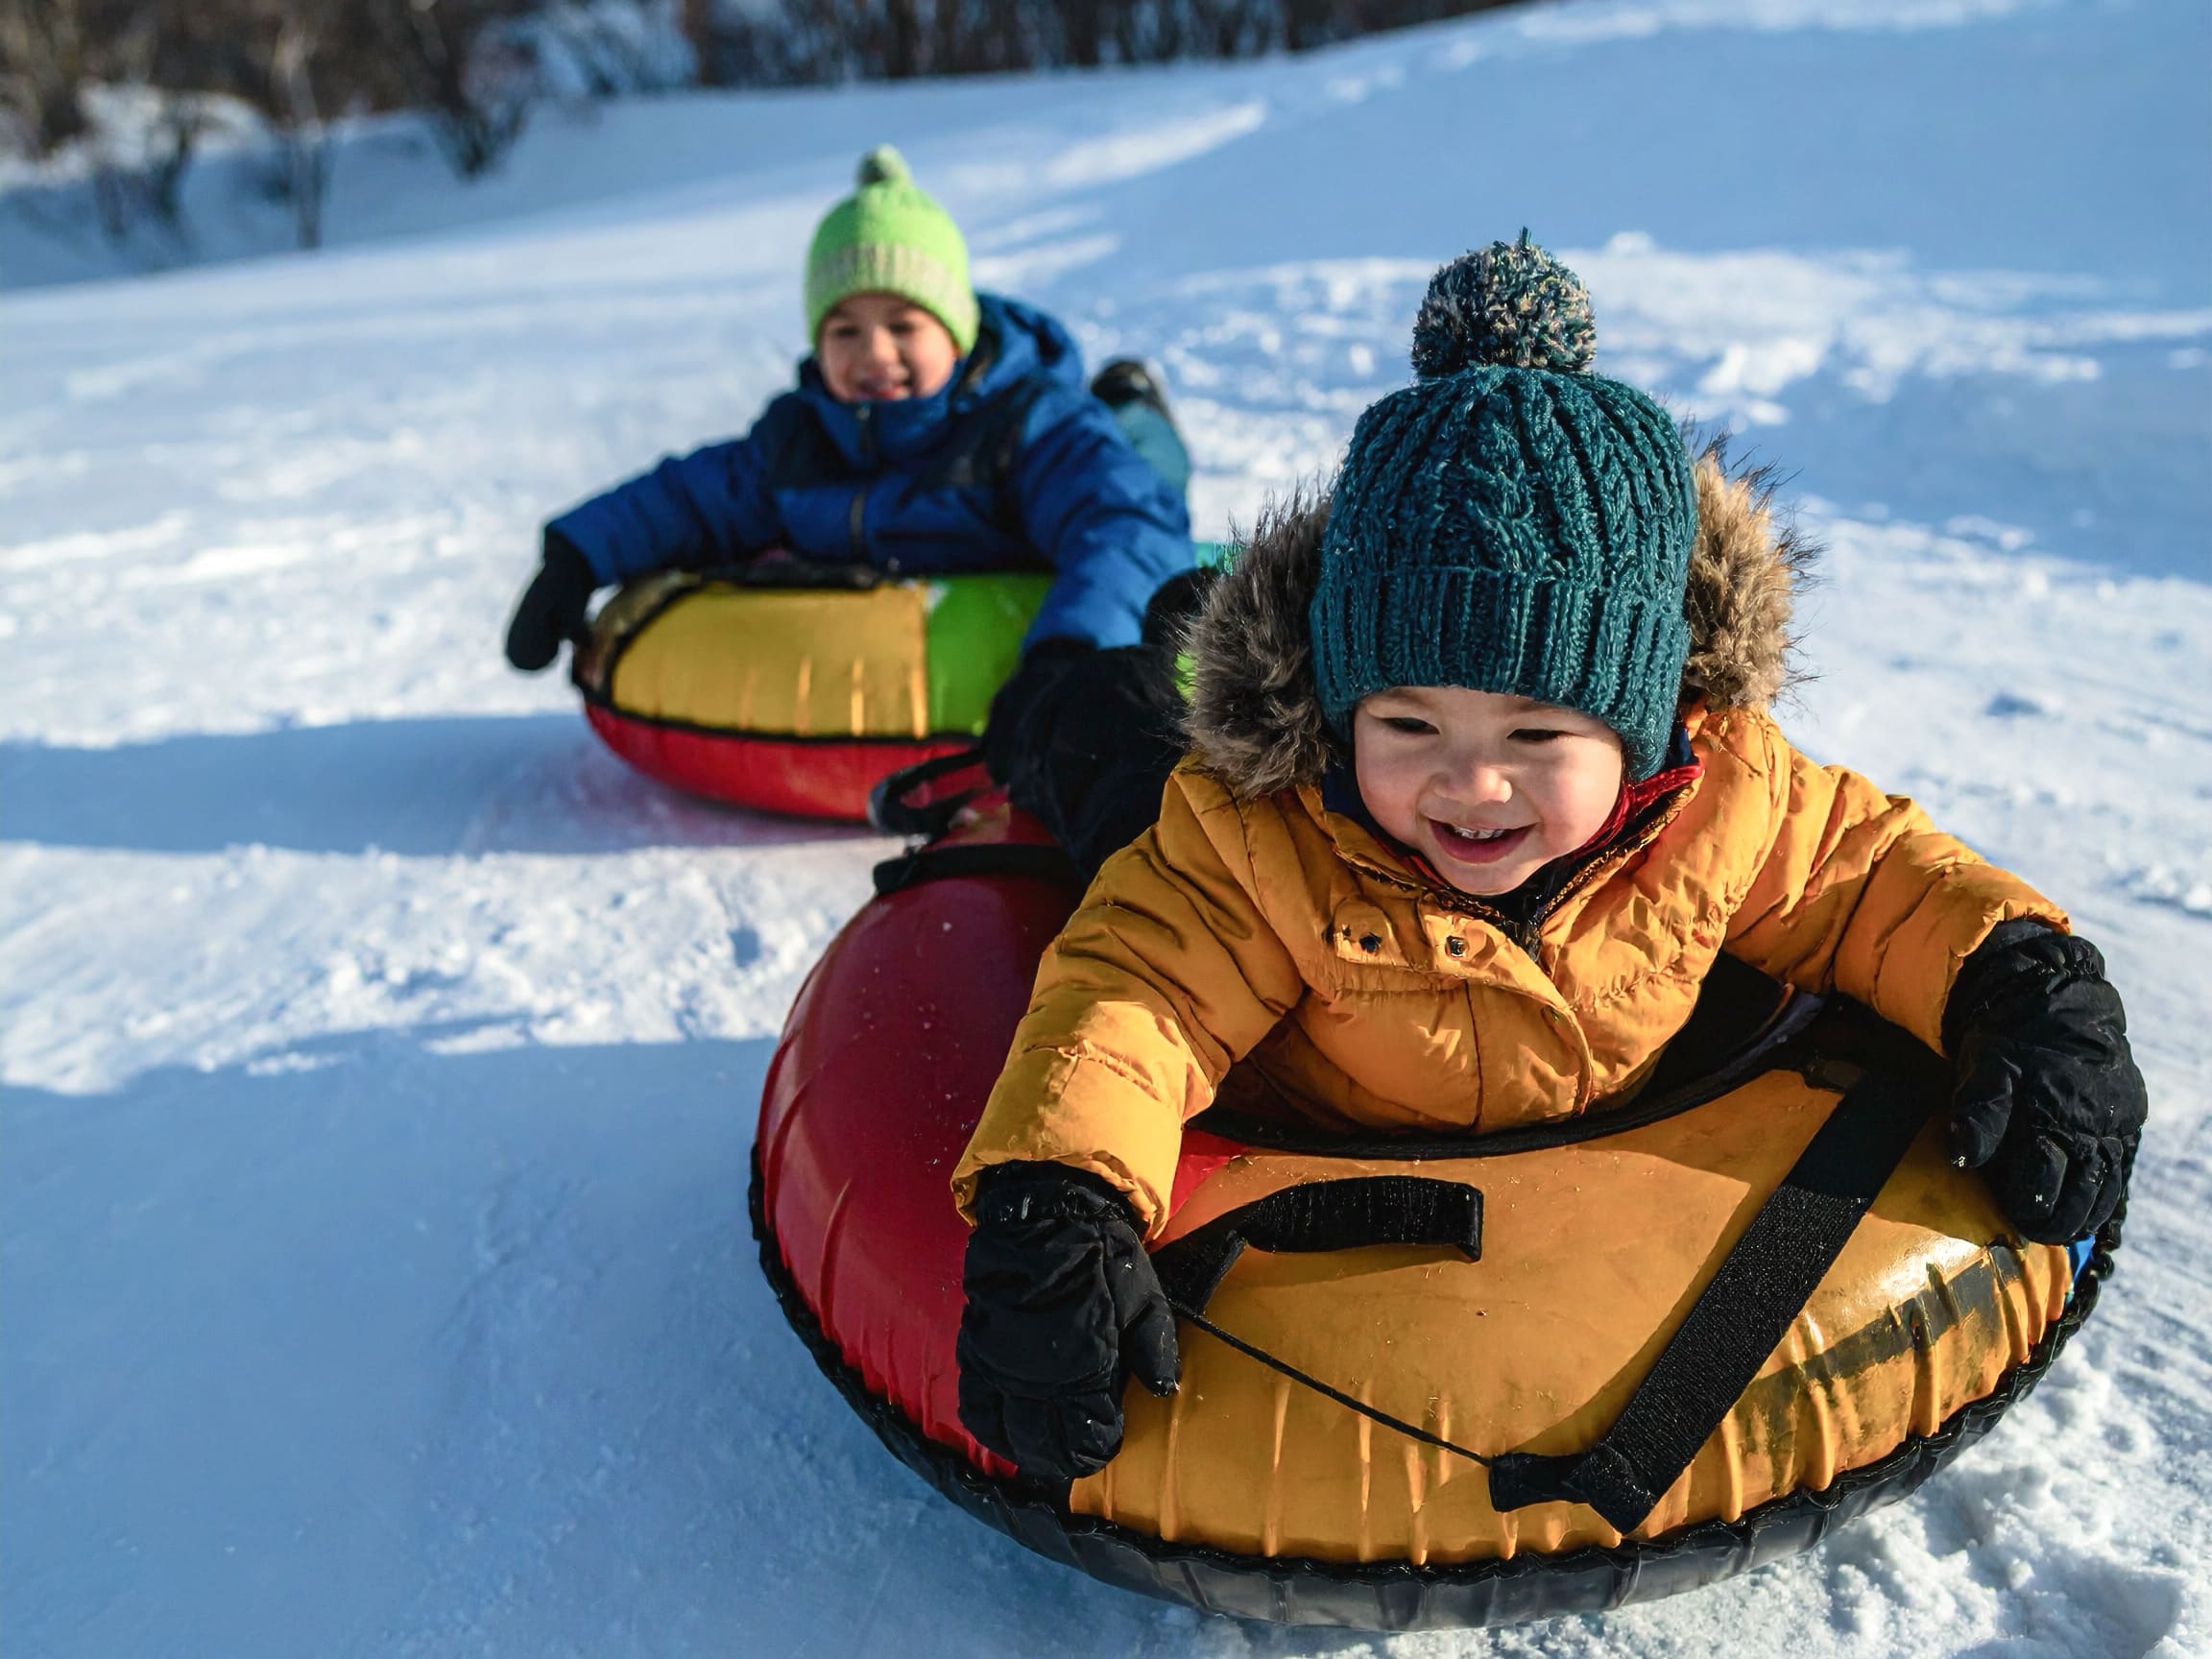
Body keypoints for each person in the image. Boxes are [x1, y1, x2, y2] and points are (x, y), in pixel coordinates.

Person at [948, 236, 2149, 1485]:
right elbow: (1134, 996)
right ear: (1342, 706)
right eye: (1408, 725)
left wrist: (2021, 980)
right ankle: (1079, 697)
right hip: (1299, 1080)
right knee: (1115, 760)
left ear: (1637, 730)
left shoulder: (1724, 794)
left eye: (1537, 734)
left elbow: (1875, 881)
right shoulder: (1255, 835)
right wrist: (1063, 1202)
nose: (1471, 783)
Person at [502, 144, 1195, 776]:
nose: (873, 355)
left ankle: (1131, 393)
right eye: (844, 330)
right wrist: (575, 557)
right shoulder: (803, 438)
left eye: (902, 325)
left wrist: (1072, 659)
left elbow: (1125, 522)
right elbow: (694, 495)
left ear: (956, 333)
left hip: (1087, 452)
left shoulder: (1025, 424)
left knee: (1143, 462)